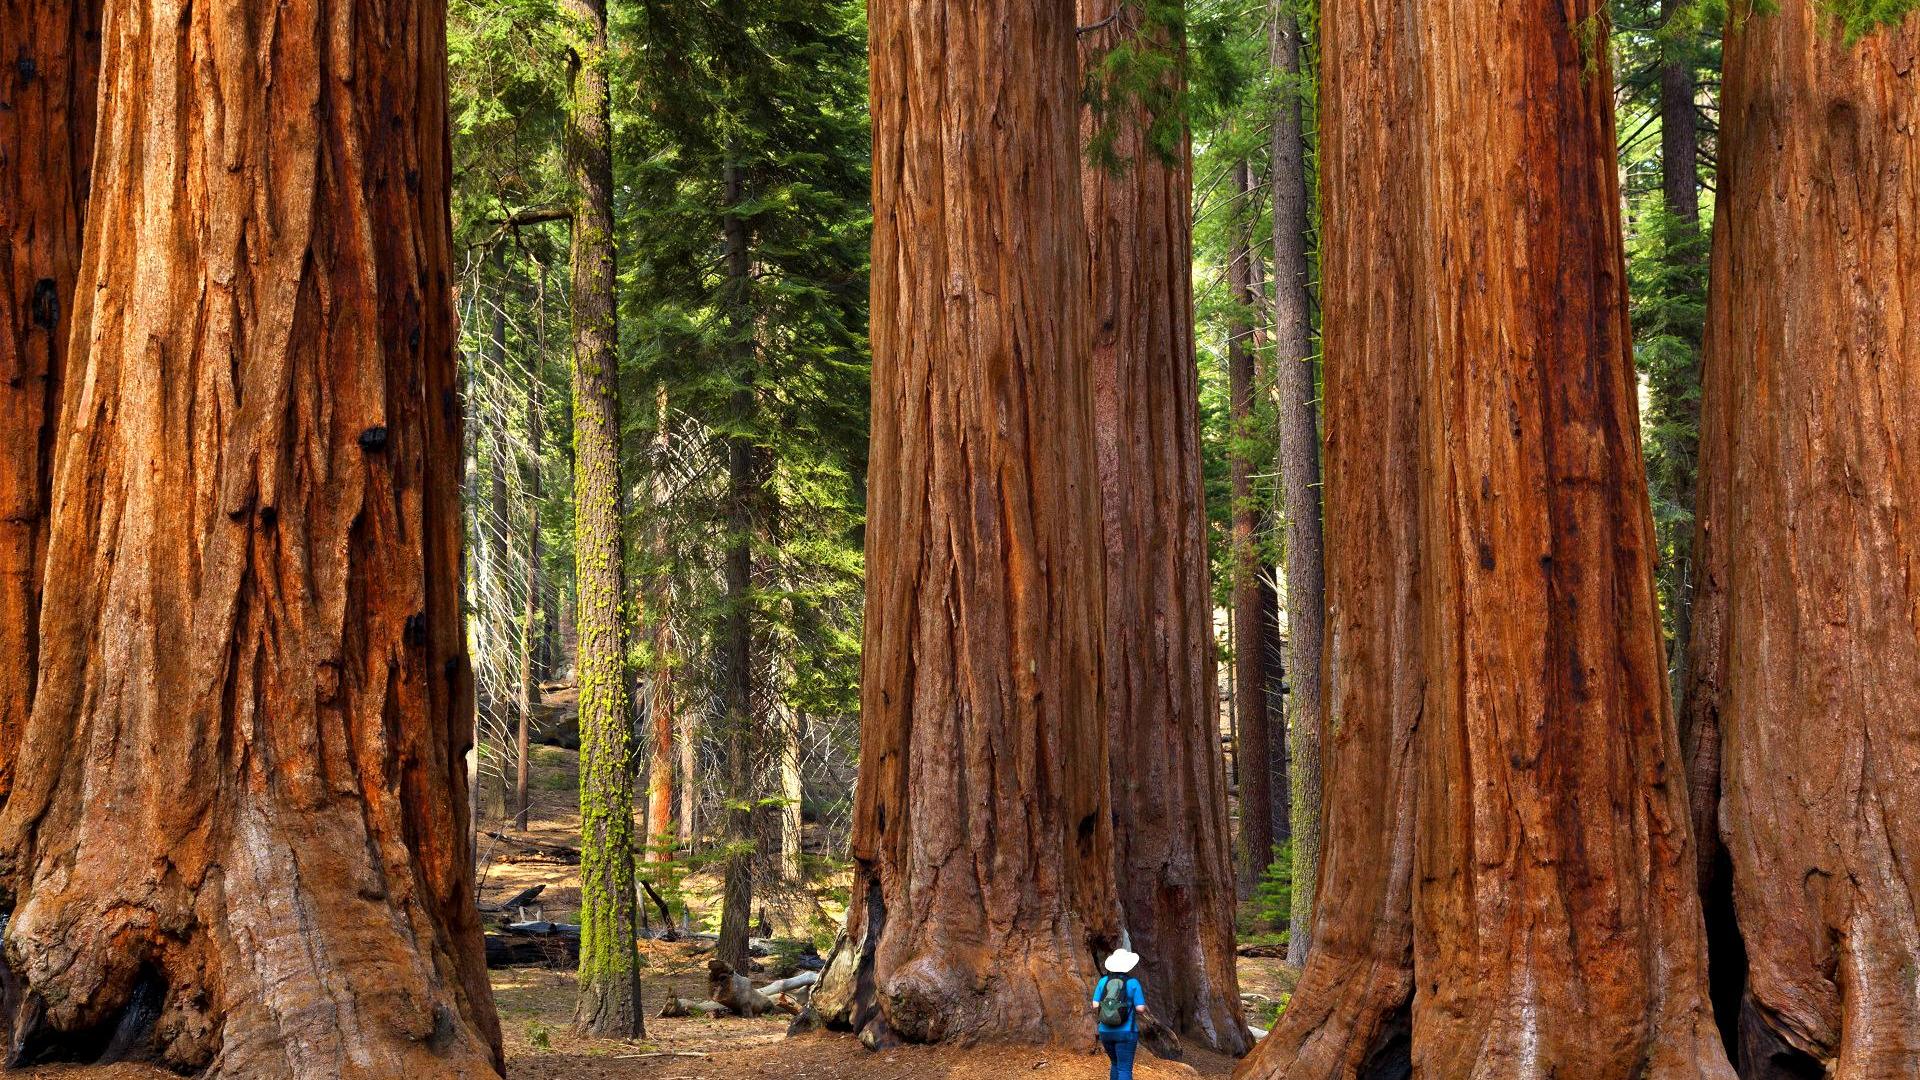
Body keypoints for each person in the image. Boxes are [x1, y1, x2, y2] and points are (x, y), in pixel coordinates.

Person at [1091, 949, 1146, 1080]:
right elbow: (1140, 1009)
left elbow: (1095, 1005)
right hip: (1126, 1032)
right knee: (1124, 1068)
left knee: (1115, 1064)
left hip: (1105, 1031)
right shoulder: (1133, 983)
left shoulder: (1103, 981)